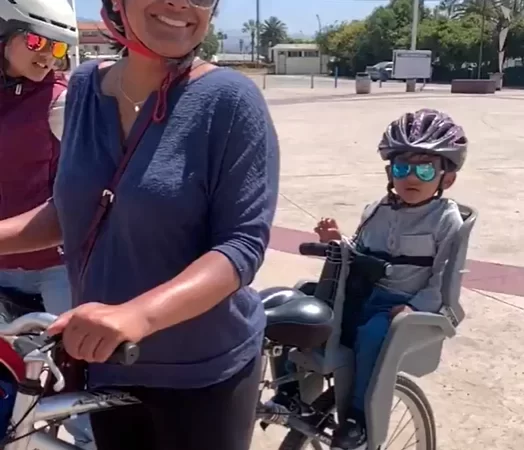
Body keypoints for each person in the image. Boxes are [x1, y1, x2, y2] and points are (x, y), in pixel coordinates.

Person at [0, 0, 280, 448]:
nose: (180, 3)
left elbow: (242, 245)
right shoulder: (85, 90)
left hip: (202, 371)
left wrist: (136, 316)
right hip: (109, 363)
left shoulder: (230, 100)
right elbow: (73, 210)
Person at [273, 109, 466, 450]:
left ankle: (358, 420)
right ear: (390, 171)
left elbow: (445, 275)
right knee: (297, 300)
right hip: (364, 294)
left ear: (446, 178)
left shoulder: (445, 220)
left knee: (374, 334)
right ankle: (290, 388)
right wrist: (338, 241)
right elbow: (360, 254)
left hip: (398, 307)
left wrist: (414, 306)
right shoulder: (376, 210)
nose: (412, 177)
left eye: (424, 169)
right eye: (402, 167)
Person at [0, 0, 95, 447]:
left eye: (59, 49)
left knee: (77, 381)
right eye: (38, 40)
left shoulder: (62, 103)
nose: (48, 55)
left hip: (57, 266)